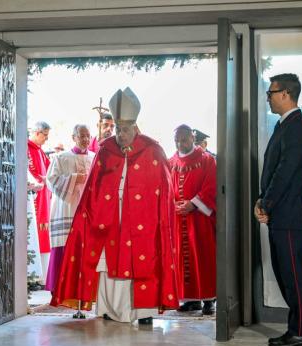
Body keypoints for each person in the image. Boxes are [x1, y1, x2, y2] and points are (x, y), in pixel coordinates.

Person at [51, 87, 179, 324]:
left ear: (136, 128)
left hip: (143, 221)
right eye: (118, 129)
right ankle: (107, 308)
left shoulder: (153, 150)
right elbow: (93, 188)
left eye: (126, 129)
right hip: (108, 218)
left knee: (142, 260)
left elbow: (164, 190)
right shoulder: (105, 149)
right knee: (106, 263)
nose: (121, 134)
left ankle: (144, 312)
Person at [254, 73, 302, 346]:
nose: (268, 97)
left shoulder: (297, 126)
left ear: (285, 94)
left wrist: (265, 203)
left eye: (271, 92)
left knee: (294, 275)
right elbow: (273, 172)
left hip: (290, 213)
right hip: (281, 212)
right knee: (285, 275)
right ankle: (295, 330)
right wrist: (262, 201)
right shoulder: (284, 126)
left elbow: (285, 172)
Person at [169, 125, 217, 315]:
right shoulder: (170, 161)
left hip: (200, 219)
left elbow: (212, 185)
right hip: (178, 217)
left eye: (184, 139)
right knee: (181, 258)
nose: (180, 144)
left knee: (203, 257)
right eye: (177, 140)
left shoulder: (207, 160)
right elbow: (165, 187)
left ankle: (208, 299)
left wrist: (194, 203)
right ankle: (190, 300)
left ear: (192, 137)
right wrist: (174, 205)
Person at [45, 124, 95, 292]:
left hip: (88, 209)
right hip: (67, 207)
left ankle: (83, 288)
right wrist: (73, 179)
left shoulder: (95, 158)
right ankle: (59, 287)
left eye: (88, 136)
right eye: (82, 136)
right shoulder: (61, 157)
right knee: (64, 245)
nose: (86, 140)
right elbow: (50, 180)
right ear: (73, 137)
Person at [27, 121, 52, 283]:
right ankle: (33, 276)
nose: (46, 139)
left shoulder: (40, 152)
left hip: (44, 198)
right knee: (35, 234)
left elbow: (50, 170)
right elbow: (28, 171)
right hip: (34, 199)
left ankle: (42, 276)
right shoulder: (27, 149)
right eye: (45, 135)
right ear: (37, 133)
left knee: (43, 235)